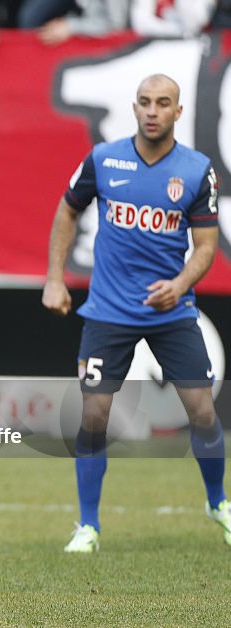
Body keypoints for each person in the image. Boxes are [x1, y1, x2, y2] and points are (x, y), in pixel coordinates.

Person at [42, 74, 229, 553]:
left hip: (171, 310)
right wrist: (55, 278)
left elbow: (206, 247)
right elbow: (67, 211)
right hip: (108, 311)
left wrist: (181, 284)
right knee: (94, 415)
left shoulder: (196, 169)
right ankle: (88, 526)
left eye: (162, 103)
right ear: (135, 107)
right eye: (144, 102)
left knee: (203, 411)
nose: (152, 110)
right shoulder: (104, 159)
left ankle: (217, 502)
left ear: (177, 112)